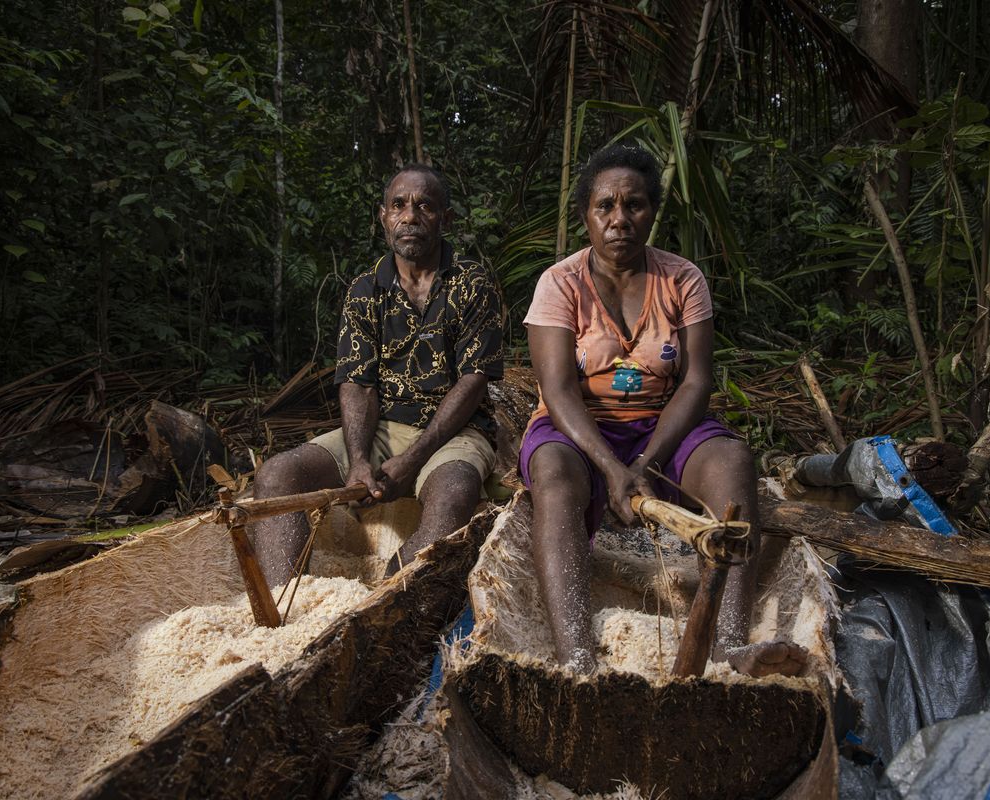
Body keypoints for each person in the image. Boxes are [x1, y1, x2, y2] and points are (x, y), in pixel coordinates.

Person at [520, 143, 807, 676]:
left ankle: (728, 646)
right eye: (604, 206)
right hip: (579, 431)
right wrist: (610, 468)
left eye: (634, 205)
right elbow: (557, 389)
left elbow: (697, 380)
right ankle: (577, 658)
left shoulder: (681, 278)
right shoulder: (559, 283)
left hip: (663, 429)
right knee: (554, 476)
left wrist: (646, 464)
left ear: (652, 211)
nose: (619, 219)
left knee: (732, 463)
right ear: (586, 214)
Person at [252, 164, 503, 586]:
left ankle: (387, 597)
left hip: (455, 433)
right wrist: (360, 459)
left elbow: (473, 381)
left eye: (424, 206)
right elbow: (356, 381)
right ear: (383, 216)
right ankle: (284, 603)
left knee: (455, 493)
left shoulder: (472, 284)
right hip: (383, 428)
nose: (410, 216)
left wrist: (414, 458)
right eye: (399, 205)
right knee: (277, 475)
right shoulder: (365, 288)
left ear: (446, 218)